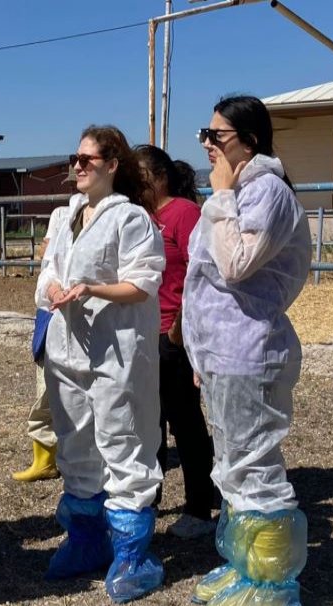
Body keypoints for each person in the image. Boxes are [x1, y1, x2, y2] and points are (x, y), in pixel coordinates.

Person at [183, 95, 312, 606]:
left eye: (217, 137)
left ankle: (274, 588)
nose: (208, 146)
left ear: (249, 142)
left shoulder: (266, 193)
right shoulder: (238, 192)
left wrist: (217, 201)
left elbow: (235, 264)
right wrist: (198, 351)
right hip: (221, 352)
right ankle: (245, 566)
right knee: (232, 464)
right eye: (205, 136)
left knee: (254, 466)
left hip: (248, 350)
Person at [36, 124, 166, 604]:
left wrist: (92, 289)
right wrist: (53, 289)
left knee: (122, 438)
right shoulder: (64, 216)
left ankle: (131, 552)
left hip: (115, 350)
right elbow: (49, 269)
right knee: (76, 442)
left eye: (87, 160)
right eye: (75, 158)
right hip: (67, 348)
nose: (77, 166)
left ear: (112, 165)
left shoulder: (129, 219)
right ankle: (86, 539)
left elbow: (144, 280)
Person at [133, 144, 218, 540]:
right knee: (149, 422)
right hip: (145, 333)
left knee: (185, 423)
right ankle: (150, 498)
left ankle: (199, 506)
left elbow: (199, 276)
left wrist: (181, 325)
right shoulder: (142, 218)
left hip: (173, 334)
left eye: (141, 175)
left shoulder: (185, 214)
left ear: (159, 176)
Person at [12, 237, 59, 483]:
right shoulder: (67, 214)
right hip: (50, 313)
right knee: (45, 390)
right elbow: (46, 253)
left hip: (66, 311)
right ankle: (45, 459)